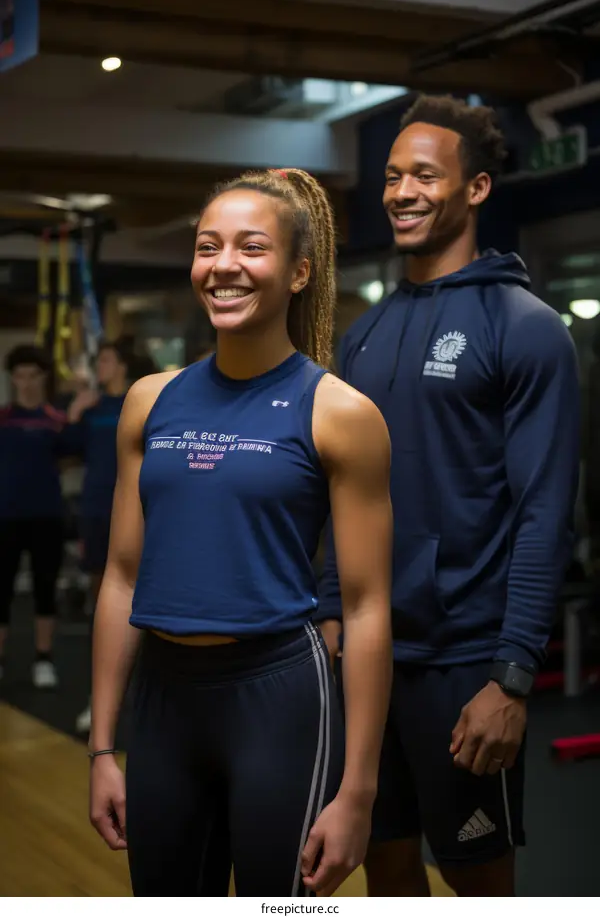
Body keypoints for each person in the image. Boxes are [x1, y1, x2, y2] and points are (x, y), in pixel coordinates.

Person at [87, 168, 393, 897]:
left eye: (252, 247)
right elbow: (122, 577)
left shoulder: (340, 413)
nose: (224, 265)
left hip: (277, 698)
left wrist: (358, 790)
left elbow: (366, 607)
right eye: (208, 246)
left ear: (299, 272)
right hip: (163, 702)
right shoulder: (149, 401)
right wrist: (100, 747)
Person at [315, 94, 581, 897]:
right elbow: (338, 487)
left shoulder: (525, 327)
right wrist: (329, 606)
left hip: (464, 662)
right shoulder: (361, 334)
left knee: (479, 884)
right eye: (393, 176)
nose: (402, 192)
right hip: (368, 655)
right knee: (386, 866)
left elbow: (544, 510)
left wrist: (512, 676)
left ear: (476, 189)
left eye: (425, 176)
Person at [67, 341, 130, 732]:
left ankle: (138, 697)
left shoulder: (139, 401)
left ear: (122, 365)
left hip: (134, 512)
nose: (100, 366)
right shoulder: (93, 406)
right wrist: (75, 411)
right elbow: (67, 449)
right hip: (95, 510)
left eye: (106, 359)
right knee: (101, 603)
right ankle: (100, 702)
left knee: (137, 602)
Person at [0, 345, 66, 688]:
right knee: (2, 590)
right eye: (20, 376)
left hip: (46, 517)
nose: (26, 383)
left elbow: (75, 453)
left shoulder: (57, 421)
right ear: (12, 379)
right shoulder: (3, 419)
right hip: (5, 517)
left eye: (32, 376)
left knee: (45, 588)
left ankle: (44, 658)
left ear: (43, 378)